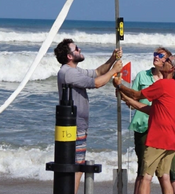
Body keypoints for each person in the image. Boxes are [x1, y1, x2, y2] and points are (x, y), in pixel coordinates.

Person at [54, 38, 123, 194]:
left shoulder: (74, 70)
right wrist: (113, 71)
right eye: (76, 48)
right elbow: (97, 83)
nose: (79, 49)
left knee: (78, 164)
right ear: (69, 56)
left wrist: (112, 59)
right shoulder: (67, 72)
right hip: (73, 127)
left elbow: (97, 72)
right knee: (76, 166)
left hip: (79, 125)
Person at [113, 55, 175, 194]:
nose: (163, 61)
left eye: (167, 60)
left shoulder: (163, 84)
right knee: (164, 176)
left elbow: (137, 95)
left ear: (172, 69)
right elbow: (151, 110)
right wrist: (125, 97)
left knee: (146, 177)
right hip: (171, 138)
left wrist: (120, 85)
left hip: (158, 138)